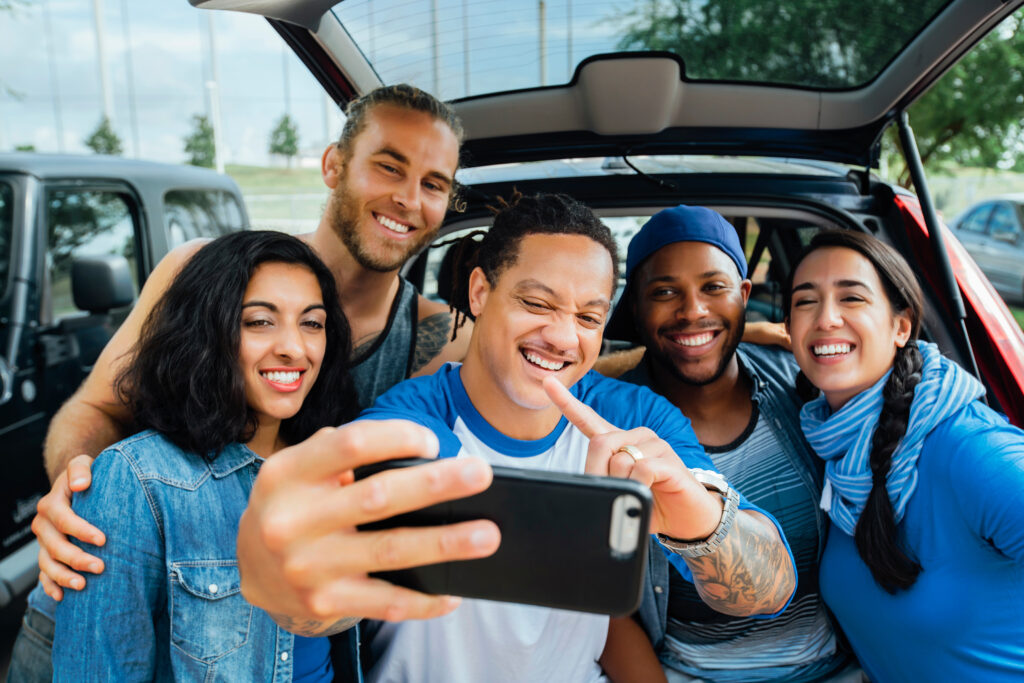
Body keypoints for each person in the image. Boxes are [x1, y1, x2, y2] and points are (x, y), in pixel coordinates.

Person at [10, 84, 493, 681]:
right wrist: (80, 506)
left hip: (261, 643)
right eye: (388, 167)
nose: (407, 198)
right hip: (94, 605)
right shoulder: (196, 271)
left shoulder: (442, 334)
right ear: (333, 165)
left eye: (433, 183)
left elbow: (559, 361)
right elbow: (96, 406)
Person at [241, 192, 798, 682]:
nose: (561, 336)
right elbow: (319, 600)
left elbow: (768, 591)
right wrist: (292, 592)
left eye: (587, 316)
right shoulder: (413, 423)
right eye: (536, 304)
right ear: (481, 292)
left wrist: (697, 518)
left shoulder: (636, 420)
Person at [51, 230, 364, 679]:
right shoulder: (137, 480)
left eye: (311, 323)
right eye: (259, 321)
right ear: (207, 330)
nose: (294, 348)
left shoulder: (334, 463)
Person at [601, 205, 853, 682]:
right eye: (664, 292)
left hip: (841, 663)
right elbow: (601, 605)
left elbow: (897, 371)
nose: (693, 310)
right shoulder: (609, 427)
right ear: (634, 307)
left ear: (743, 296)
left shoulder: (803, 380)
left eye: (714, 288)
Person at [784, 229, 1024, 681]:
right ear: (788, 330)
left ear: (901, 326)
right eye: (805, 301)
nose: (826, 319)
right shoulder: (832, 447)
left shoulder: (972, 451)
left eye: (851, 298)